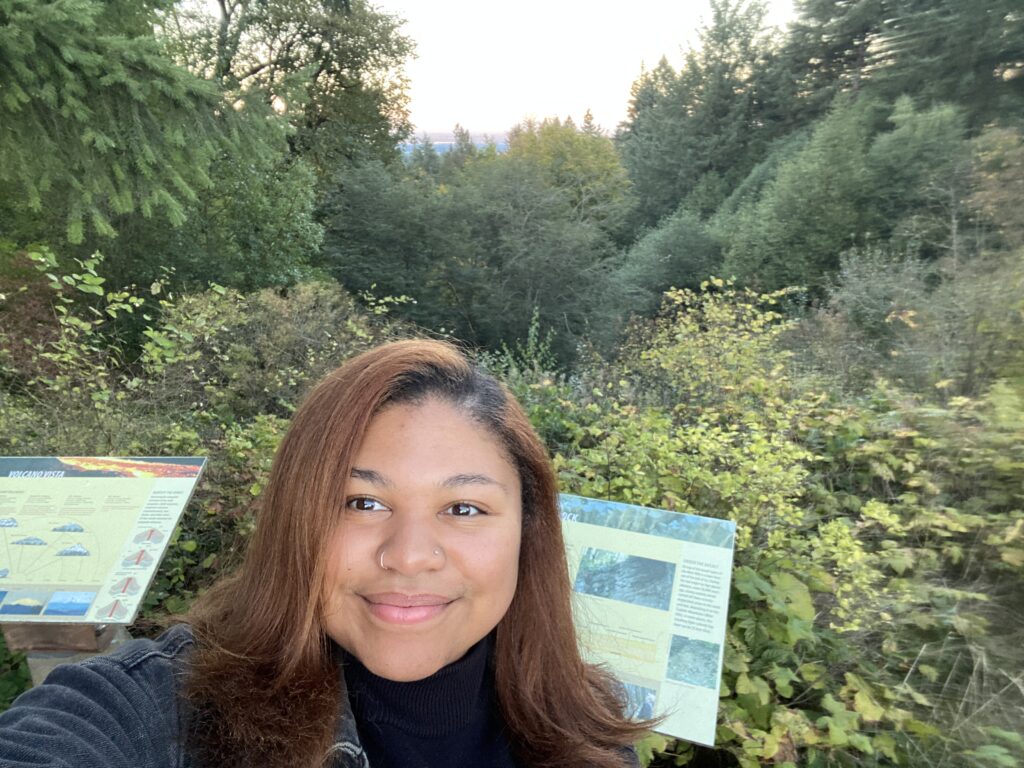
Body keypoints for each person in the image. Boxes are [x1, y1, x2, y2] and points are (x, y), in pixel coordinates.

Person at [0, 340, 649, 767]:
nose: (409, 555)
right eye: (361, 502)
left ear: (527, 535)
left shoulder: (587, 737)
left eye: (464, 509)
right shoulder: (164, 713)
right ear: (298, 516)